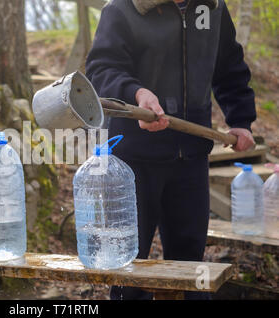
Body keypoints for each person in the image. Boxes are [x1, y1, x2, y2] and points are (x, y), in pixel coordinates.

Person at [86, 0, 256, 299]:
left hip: (191, 157)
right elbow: (102, 70)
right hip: (133, 159)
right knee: (129, 265)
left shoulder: (213, 9)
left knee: (190, 264)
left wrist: (241, 120)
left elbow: (229, 65)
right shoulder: (122, 9)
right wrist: (136, 93)